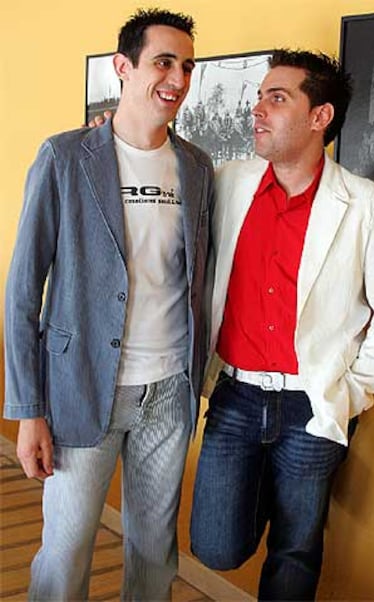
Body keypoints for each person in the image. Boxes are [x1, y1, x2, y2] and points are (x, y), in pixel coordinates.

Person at [4, 8, 214, 601]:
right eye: (164, 62)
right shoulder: (64, 157)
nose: (178, 78)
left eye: (187, 66)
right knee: (66, 548)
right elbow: (22, 291)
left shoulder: (197, 167)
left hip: (168, 389)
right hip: (82, 384)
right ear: (123, 67)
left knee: (153, 550)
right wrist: (29, 410)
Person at [190, 49, 374, 601]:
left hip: (313, 402)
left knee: (295, 549)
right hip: (235, 397)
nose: (257, 109)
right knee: (216, 546)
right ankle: (269, 488)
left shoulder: (366, 205)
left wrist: (351, 392)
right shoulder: (228, 183)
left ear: (320, 116)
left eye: (277, 98)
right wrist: (110, 138)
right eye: (259, 96)